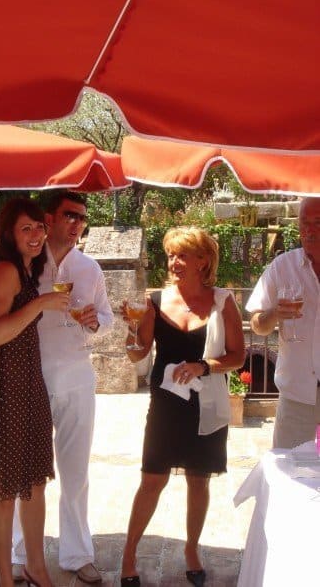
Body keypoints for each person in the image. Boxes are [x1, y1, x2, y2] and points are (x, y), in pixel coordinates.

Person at [0, 191, 114, 583]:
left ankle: (77, 553)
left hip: (76, 376)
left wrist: (95, 323)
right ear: (51, 218)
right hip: (25, 381)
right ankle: (19, 557)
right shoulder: (27, 262)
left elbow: (107, 318)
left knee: (72, 473)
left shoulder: (89, 268)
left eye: (82, 217)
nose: (77, 223)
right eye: (70, 215)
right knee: (21, 479)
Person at [120, 227, 245, 587]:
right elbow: (137, 355)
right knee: (152, 479)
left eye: (183, 255)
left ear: (203, 261)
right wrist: (132, 329)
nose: (174, 262)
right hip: (166, 406)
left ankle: (192, 550)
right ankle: (129, 554)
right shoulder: (155, 301)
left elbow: (237, 357)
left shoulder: (223, 301)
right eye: (171, 255)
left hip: (206, 405)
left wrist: (203, 366)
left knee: (198, 480)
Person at [0, 197, 69, 587]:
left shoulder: (26, 269)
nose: (36, 234)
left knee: (34, 484)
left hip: (27, 386)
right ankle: (6, 578)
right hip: (4, 391)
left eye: (39, 227)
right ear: (9, 233)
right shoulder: (5, 270)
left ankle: (36, 568)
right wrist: (42, 303)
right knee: (5, 493)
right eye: (27, 228)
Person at [246, 196, 320, 449]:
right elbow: (257, 325)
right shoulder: (282, 267)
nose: (309, 230)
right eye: (304, 222)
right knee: (289, 467)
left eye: (318, 222)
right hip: (296, 396)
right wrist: (274, 314)